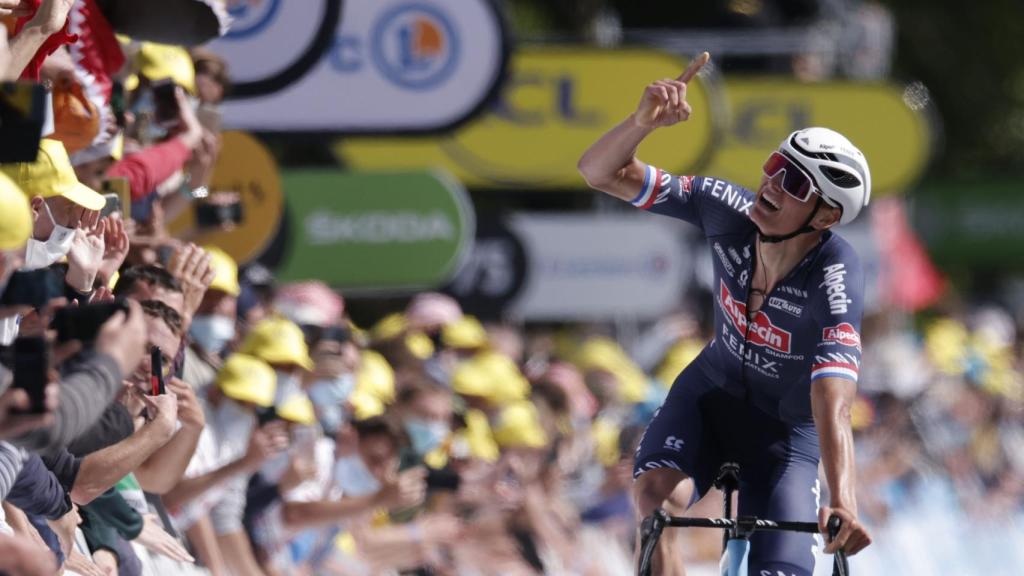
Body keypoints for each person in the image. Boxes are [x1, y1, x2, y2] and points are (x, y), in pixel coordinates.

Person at [577, 52, 872, 575]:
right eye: (776, 168)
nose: (773, 185)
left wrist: (844, 499)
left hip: (786, 435)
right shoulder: (727, 208)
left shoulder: (834, 276)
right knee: (655, 500)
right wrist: (641, 123)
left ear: (825, 215)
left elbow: (834, 401)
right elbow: (598, 171)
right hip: (709, 398)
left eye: (795, 185)